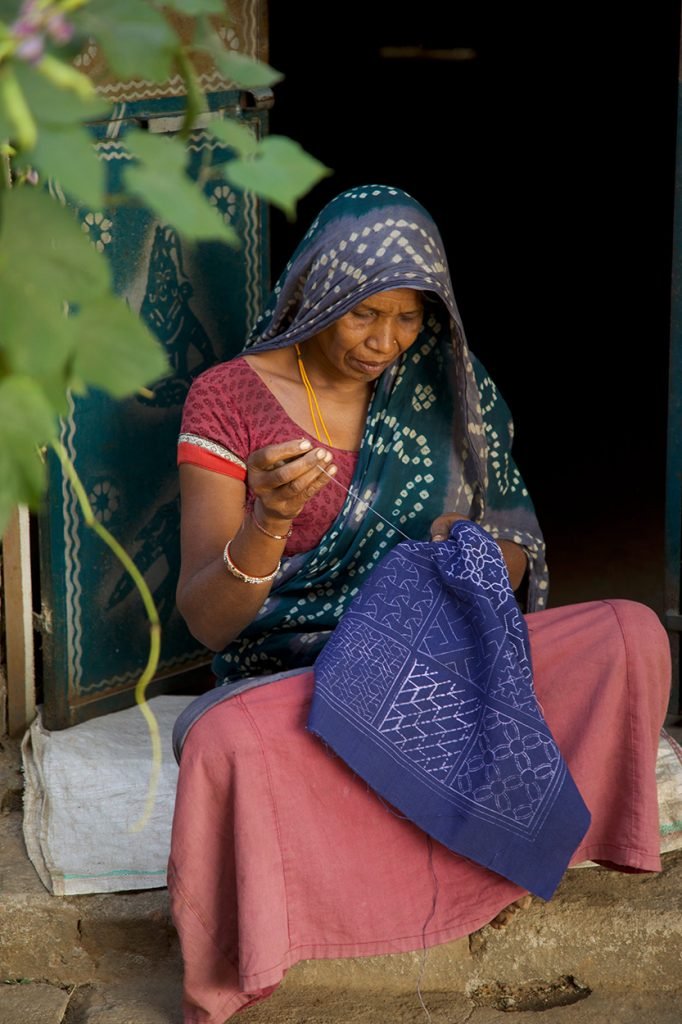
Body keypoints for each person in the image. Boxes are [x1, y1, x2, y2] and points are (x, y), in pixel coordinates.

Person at [168, 184, 671, 1024]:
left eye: (408, 317)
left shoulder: (450, 379)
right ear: (317, 292)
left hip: (447, 664)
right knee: (224, 748)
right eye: (365, 315)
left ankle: (474, 824)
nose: (385, 341)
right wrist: (268, 523)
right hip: (301, 681)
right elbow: (207, 618)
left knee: (631, 632)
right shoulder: (228, 399)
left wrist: (467, 552)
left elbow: (518, 548)